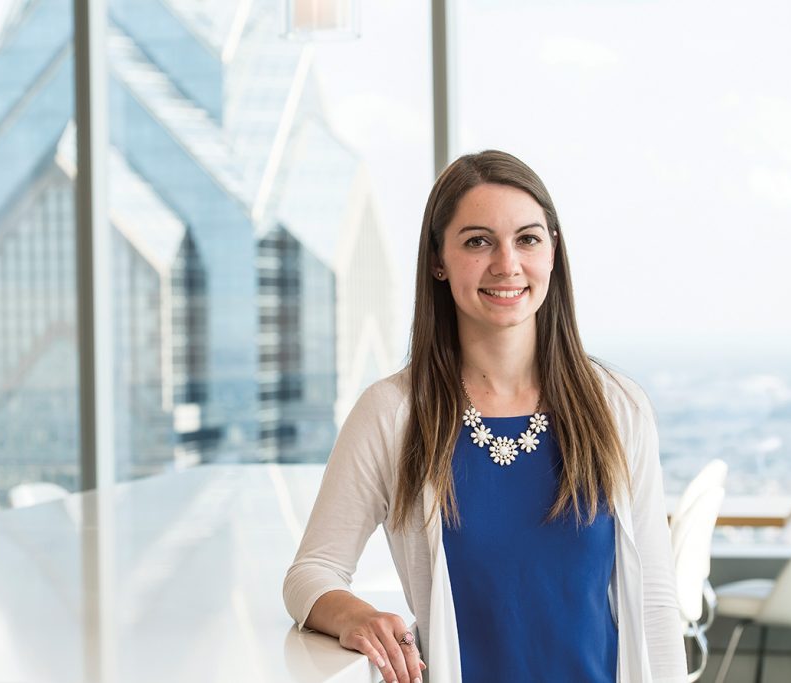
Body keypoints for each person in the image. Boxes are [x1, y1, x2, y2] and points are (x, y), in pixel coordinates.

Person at [282, 150, 687, 682]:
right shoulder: (393, 414)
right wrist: (359, 617)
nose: (507, 263)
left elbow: (654, 600)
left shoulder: (617, 407)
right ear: (438, 261)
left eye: (528, 238)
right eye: (477, 241)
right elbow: (311, 572)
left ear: (553, 252)